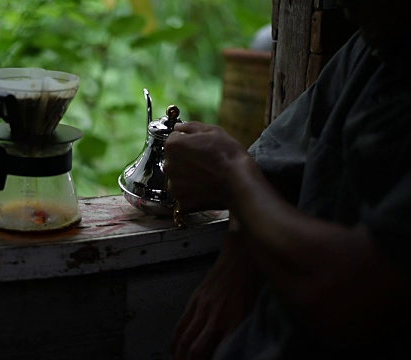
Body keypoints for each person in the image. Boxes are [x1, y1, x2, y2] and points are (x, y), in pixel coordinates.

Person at [163, 0, 411, 359]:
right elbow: (277, 161)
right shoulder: (369, 53)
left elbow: (350, 295)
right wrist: (238, 253)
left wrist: (231, 171)